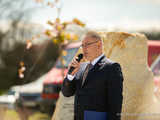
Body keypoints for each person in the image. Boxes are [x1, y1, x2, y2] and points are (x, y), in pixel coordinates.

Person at [61, 31, 124, 120]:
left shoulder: (112, 67)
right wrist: (70, 76)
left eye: (87, 45)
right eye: (82, 45)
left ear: (99, 45)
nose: (84, 48)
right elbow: (66, 93)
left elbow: (115, 105)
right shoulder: (80, 67)